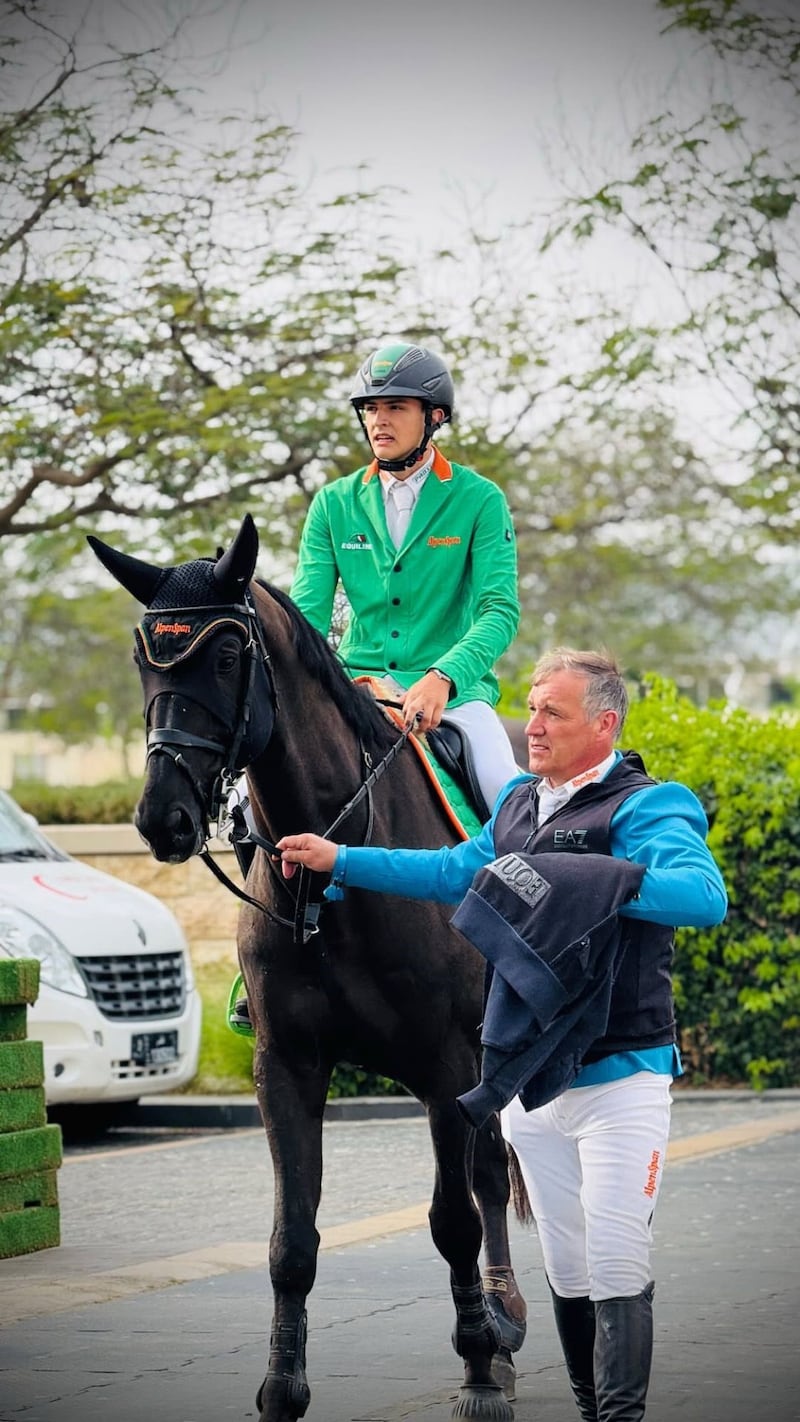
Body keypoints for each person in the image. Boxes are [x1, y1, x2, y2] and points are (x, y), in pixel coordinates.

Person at [275, 647, 728, 1422]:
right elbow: (454, 871)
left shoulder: (650, 805)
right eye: (532, 707)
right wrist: (339, 858)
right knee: (572, 1269)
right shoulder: (518, 803)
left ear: (605, 722)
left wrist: (578, 877)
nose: (533, 725)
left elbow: (702, 897)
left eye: (553, 712)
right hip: (528, 1080)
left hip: (621, 1073)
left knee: (618, 1260)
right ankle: (593, 1411)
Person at [288, 339, 521, 812]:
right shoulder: (332, 503)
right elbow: (306, 618)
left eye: (395, 407)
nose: (379, 420)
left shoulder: (480, 499)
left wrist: (444, 676)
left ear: (433, 416)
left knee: (506, 796)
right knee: (253, 803)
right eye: (371, 408)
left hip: (451, 695)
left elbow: (500, 611)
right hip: (355, 686)